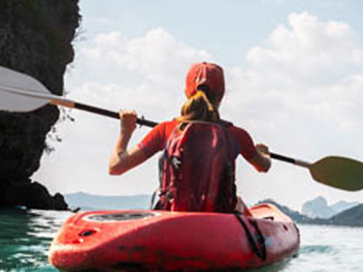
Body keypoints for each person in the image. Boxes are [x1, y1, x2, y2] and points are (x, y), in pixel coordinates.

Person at [109, 62, 271, 212]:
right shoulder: (237, 135)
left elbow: (116, 167)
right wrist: (263, 153)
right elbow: (263, 166)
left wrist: (126, 130)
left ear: (187, 92)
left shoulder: (166, 130)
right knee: (239, 203)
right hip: (220, 219)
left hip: (172, 216)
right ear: (221, 95)